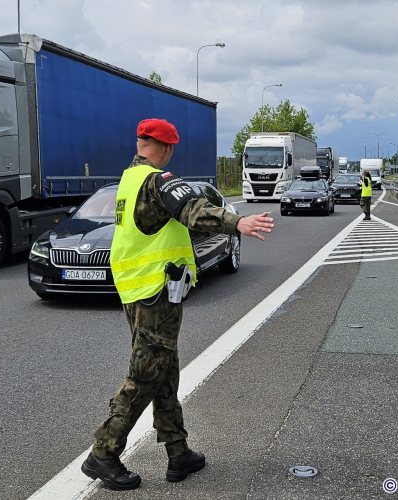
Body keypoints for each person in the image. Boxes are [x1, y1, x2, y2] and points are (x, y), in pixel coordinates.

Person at [81, 118, 275, 491]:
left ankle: (177, 452)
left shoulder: (127, 180)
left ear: (141, 143)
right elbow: (192, 209)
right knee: (147, 373)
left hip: (136, 291)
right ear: (167, 148)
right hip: (155, 293)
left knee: (164, 368)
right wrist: (236, 222)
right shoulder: (159, 180)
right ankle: (103, 453)